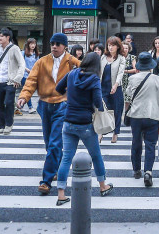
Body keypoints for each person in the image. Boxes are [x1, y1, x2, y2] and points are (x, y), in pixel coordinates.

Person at [16, 32, 81, 195]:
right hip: (44, 104)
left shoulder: (73, 62)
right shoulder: (42, 61)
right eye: (52, 43)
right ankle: (57, 168)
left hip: (63, 104)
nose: (54, 46)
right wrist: (24, 97)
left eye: (58, 44)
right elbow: (31, 80)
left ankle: (46, 180)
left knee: (54, 143)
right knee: (49, 142)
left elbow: (86, 77)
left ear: (64, 46)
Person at [54, 51, 113, 205]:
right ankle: (102, 186)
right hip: (85, 124)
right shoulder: (94, 79)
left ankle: (61, 194)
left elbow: (59, 89)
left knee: (66, 158)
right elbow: (98, 103)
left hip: (68, 122)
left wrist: (72, 95)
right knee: (95, 155)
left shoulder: (72, 74)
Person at [127, 51, 159, 187]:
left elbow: (128, 96)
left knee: (136, 142)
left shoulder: (132, 79)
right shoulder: (158, 79)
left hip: (136, 115)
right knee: (150, 144)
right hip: (153, 115)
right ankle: (148, 171)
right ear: (151, 66)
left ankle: (136, 169)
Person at [0, 27, 25, 135]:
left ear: (8, 37)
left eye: (2, 36)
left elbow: (22, 64)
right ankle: (2, 125)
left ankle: (9, 125)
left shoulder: (14, 49)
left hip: (10, 81)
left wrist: (17, 78)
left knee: (9, 103)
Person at [101, 36, 126, 143]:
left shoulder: (121, 58)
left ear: (117, 46)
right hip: (103, 88)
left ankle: (115, 133)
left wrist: (115, 85)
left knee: (117, 111)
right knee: (103, 111)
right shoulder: (103, 57)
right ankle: (101, 132)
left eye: (113, 45)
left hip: (116, 88)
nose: (110, 47)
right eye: (109, 45)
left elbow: (120, 73)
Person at [21, 38, 39, 114]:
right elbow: (20, 64)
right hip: (24, 75)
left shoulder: (36, 54)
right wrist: (27, 70)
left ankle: (20, 105)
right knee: (28, 91)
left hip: (33, 75)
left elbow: (38, 64)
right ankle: (30, 107)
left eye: (34, 44)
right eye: (31, 44)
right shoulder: (23, 53)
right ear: (28, 45)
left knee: (29, 91)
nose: (33, 45)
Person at [121, 40, 138, 117]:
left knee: (127, 99)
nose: (124, 50)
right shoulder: (118, 57)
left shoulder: (132, 57)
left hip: (128, 80)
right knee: (120, 98)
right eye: (123, 48)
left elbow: (136, 69)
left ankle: (126, 114)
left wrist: (125, 71)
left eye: (126, 48)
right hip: (119, 81)